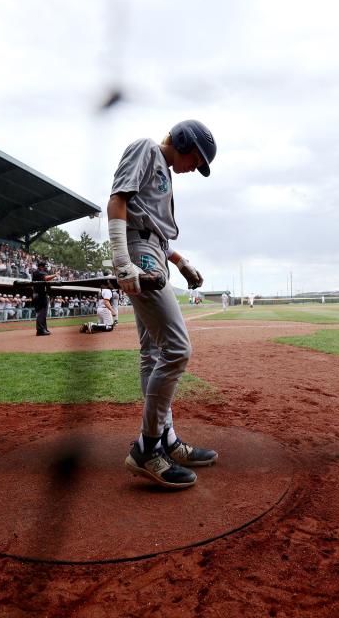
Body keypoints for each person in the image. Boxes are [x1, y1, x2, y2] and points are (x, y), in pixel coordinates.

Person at [107, 119, 219, 489]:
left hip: (152, 250)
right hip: (139, 253)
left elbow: (152, 225)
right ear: (183, 139)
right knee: (177, 349)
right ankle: (147, 447)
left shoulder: (165, 171)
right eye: (194, 158)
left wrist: (181, 261)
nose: (192, 167)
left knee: (153, 352)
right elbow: (117, 201)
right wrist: (123, 262)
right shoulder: (146, 148)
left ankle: (166, 440)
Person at [33, 261, 56, 335]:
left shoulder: (40, 272)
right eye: (44, 266)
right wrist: (55, 275)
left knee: (44, 312)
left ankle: (44, 329)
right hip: (39, 295)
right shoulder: (37, 272)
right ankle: (40, 330)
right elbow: (46, 278)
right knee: (41, 312)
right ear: (40, 266)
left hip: (41, 294)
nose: (45, 268)